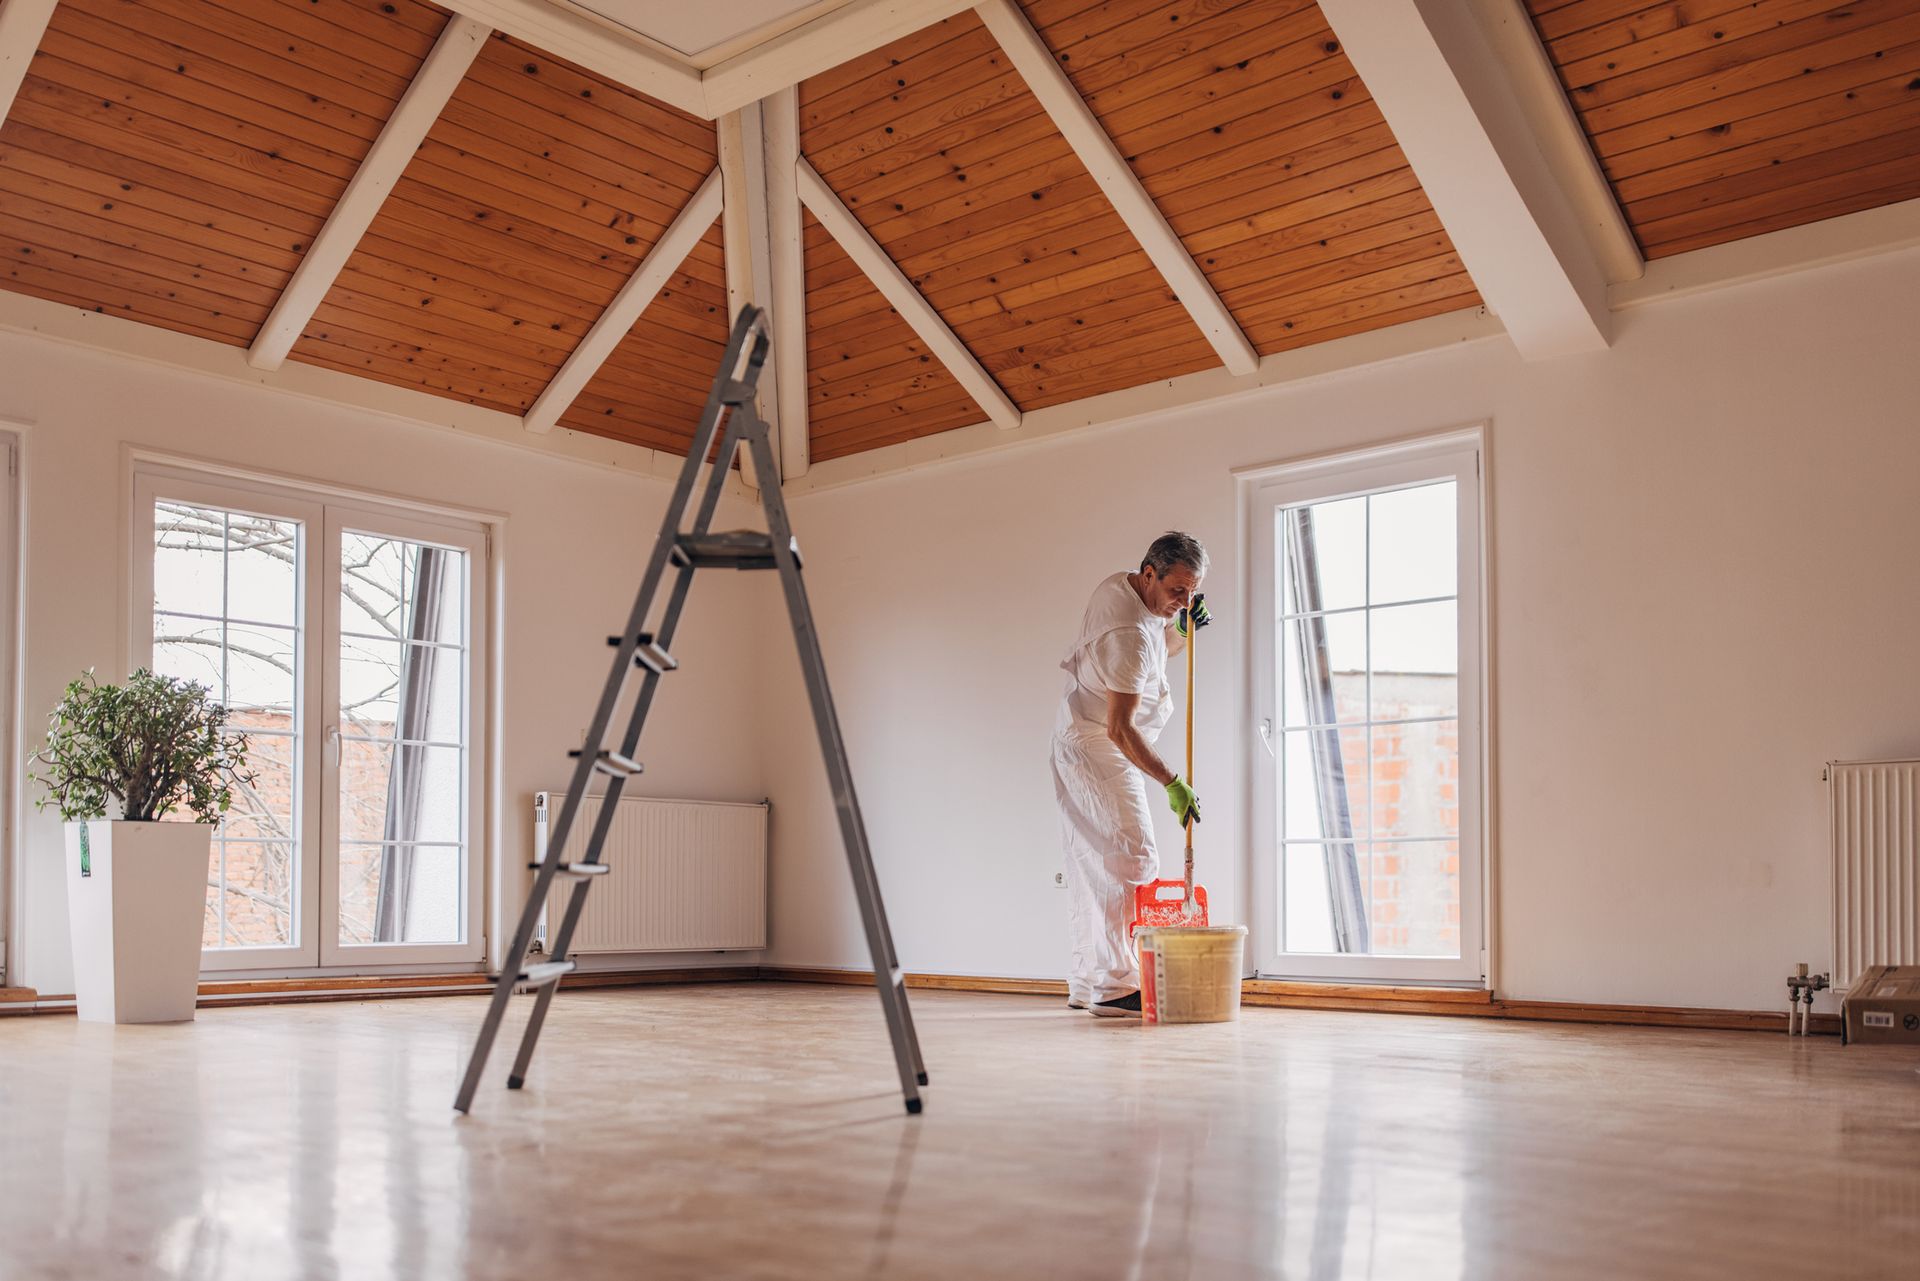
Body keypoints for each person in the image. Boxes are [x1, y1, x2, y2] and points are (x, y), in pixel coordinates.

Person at [1051, 532, 1211, 1017]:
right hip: (1099, 743)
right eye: (1178, 591)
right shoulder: (1124, 635)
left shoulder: (1126, 592)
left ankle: (1091, 983)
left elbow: (1159, 649)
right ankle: (1117, 987)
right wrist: (1172, 782)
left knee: (1094, 863)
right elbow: (1121, 729)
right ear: (1149, 575)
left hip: (1086, 732)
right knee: (1132, 859)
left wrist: (1181, 631)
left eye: (1194, 591)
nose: (1185, 601)